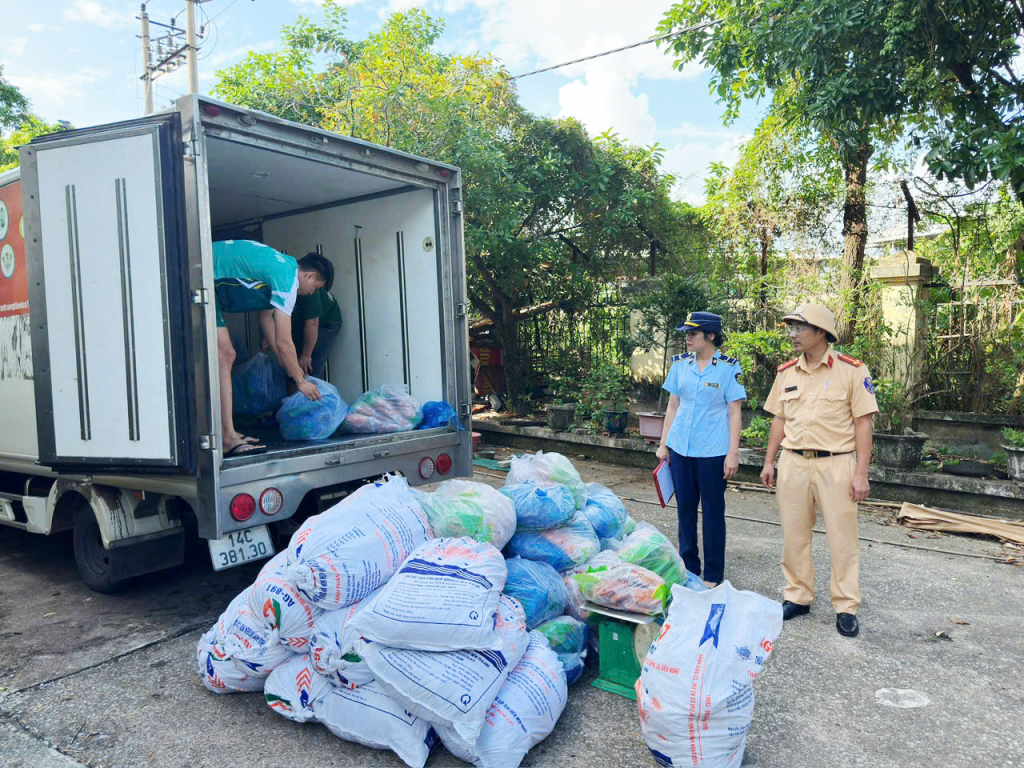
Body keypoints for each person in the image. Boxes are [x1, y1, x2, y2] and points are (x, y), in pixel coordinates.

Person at [759, 304, 878, 638]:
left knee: (843, 539)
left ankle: (845, 606)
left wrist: (861, 473)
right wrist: (770, 461)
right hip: (793, 462)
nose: (793, 335)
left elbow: (863, 423)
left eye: (800, 328)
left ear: (822, 333)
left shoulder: (852, 370)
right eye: (791, 328)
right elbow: (779, 420)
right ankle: (798, 596)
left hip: (837, 463)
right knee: (794, 535)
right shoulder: (786, 373)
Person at [213, 240, 333, 456]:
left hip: (205, 274)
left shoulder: (281, 265)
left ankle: (226, 433)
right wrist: (300, 381)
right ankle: (227, 437)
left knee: (225, 355)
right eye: (315, 288)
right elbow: (284, 340)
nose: (311, 293)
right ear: (309, 276)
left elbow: (267, 318)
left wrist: (282, 360)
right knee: (226, 355)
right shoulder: (287, 279)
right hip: (201, 277)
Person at [656, 311, 746, 588]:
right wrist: (663, 444)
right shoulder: (681, 365)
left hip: (712, 452)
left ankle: (713, 575)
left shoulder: (729, 368)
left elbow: (734, 413)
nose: (687, 339)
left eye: (692, 334)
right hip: (681, 449)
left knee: (713, 513)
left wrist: (733, 453)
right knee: (685, 510)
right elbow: (673, 406)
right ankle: (689, 567)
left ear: (710, 335)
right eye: (686, 334)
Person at [289, 264, 343, 380]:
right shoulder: (286, 280)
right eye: (317, 287)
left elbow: (312, 323)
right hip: (301, 324)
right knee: (293, 365)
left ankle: (311, 394)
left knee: (308, 368)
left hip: (325, 324)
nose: (314, 290)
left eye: (318, 288)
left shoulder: (310, 292)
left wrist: (306, 354)